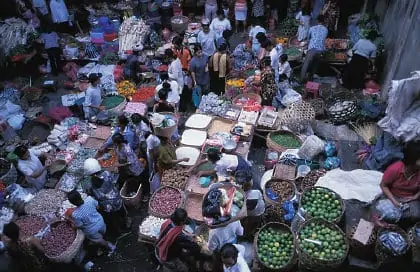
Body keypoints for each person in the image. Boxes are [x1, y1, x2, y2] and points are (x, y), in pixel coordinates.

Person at [375, 141, 420, 223]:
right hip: (394, 196)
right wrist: (394, 201)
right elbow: (383, 185)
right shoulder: (395, 169)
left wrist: (415, 196)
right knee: (385, 211)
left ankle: (399, 220)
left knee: (416, 215)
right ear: (412, 160)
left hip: (410, 199)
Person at [83, 158, 130, 235]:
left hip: (107, 206)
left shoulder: (89, 185)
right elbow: (113, 180)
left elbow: (90, 195)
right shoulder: (106, 174)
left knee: (113, 218)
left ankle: (119, 232)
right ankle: (126, 222)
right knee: (122, 211)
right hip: (116, 199)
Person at [68, 190, 116, 255]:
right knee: (102, 231)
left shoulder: (75, 214)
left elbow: (79, 225)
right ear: (80, 195)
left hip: (92, 231)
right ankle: (105, 236)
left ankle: (110, 248)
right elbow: (98, 207)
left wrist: (71, 221)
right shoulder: (89, 199)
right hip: (100, 221)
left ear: (72, 203)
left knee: (99, 240)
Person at [300, 15, 328, 81]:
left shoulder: (312, 28)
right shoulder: (326, 29)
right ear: (324, 21)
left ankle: (301, 80)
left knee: (306, 64)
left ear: (317, 21)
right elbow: (323, 40)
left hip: (312, 48)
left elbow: (308, 39)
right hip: (320, 50)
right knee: (315, 64)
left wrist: (306, 44)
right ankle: (310, 77)